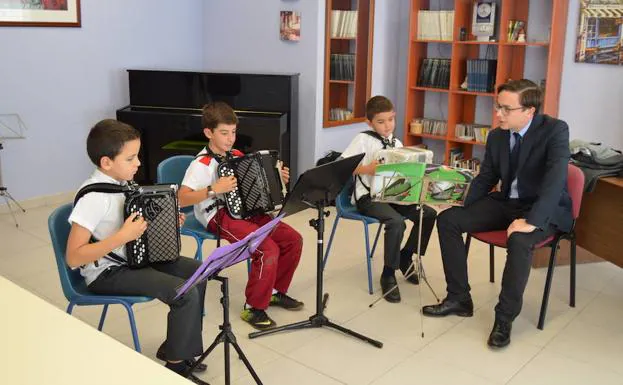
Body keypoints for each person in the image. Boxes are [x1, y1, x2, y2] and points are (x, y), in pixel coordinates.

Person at [422, 79, 572, 348]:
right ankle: (459, 298)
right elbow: (487, 176)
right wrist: (459, 201)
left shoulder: (555, 131)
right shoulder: (497, 135)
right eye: (497, 106)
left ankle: (504, 318)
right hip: (506, 202)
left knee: (519, 240)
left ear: (529, 111)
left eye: (505, 108)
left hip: (542, 207)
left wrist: (532, 221)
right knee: (448, 221)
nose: (498, 114)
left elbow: (554, 181)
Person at [66, 119, 208, 384]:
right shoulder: (93, 199)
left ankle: (178, 346)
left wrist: (165, 221)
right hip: (106, 273)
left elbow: (135, 225)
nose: (138, 163)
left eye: (138, 156)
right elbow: (74, 256)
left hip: (134, 258)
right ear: (106, 163)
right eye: (130, 158)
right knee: (183, 292)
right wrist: (122, 236)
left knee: (199, 272)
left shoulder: (123, 184)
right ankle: (175, 368)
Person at [178, 101, 304, 330]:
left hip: (247, 211)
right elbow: (182, 198)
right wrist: (214, 189)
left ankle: (275, 291)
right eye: (224, 133)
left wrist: (279, 178)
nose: (230, 139)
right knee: (267, 248)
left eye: (233, 132)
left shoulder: (236, 155)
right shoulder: (201, 164)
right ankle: (253, 308)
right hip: (218, 215)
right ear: (208, 132)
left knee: (293, 239)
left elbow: (255, 185)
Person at [340, 95, 437, 303]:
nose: (387, 126)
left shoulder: (397, 142)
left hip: (393, 196)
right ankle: (388, 273)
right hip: (369, 198)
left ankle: (406, 255)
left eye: (391, 120)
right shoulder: (363, 139)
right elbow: (342, 167)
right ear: (370, 122)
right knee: (396, 222)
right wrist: (368, 169)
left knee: (428, 214)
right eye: (381, 122)